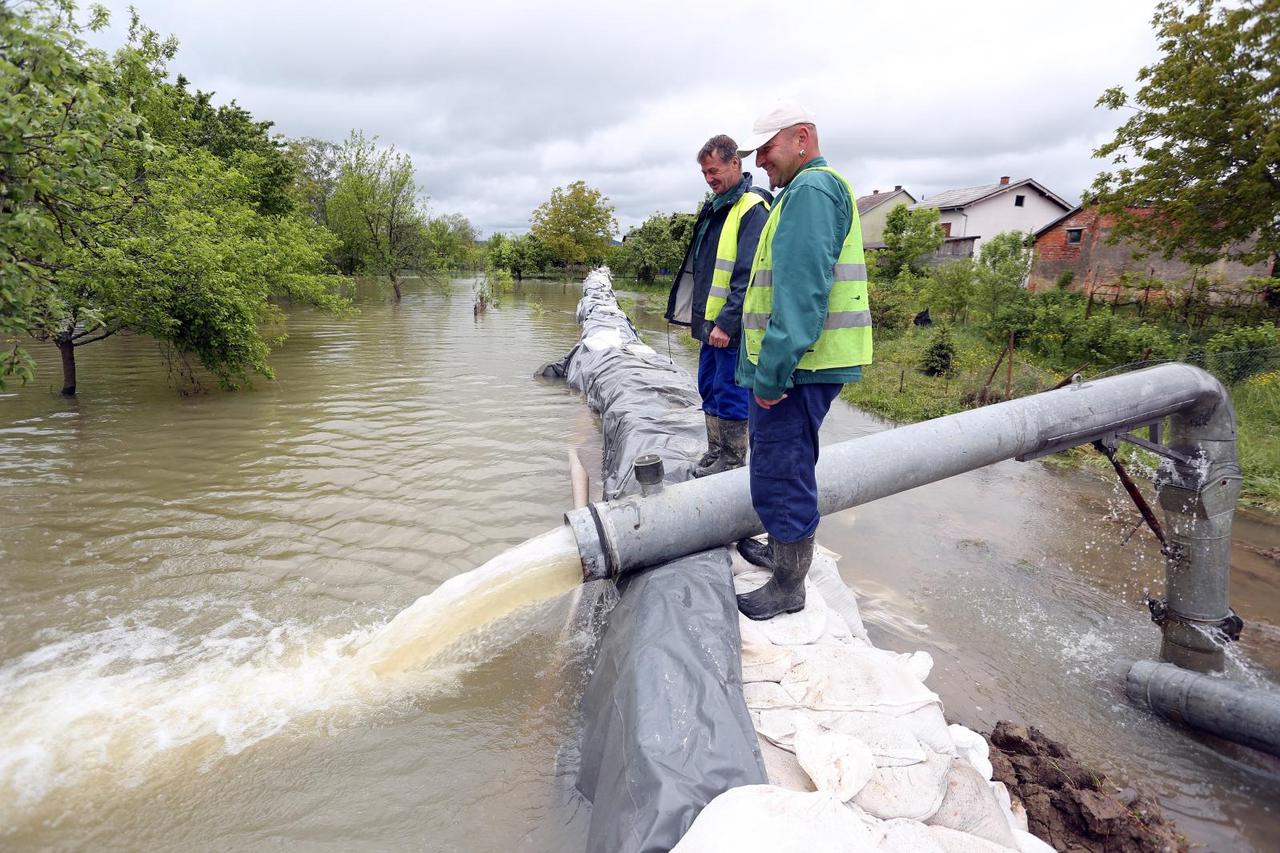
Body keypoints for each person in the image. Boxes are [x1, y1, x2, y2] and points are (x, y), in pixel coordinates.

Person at [732, 103, 873, 620]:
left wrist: (772, 371)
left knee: (781, 467)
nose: (761, 160)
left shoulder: (811, 191)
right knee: (787, 461)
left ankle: (789, 585)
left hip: (798, 366)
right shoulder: (801, 191)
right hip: (803, 363)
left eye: (767, 148)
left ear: (802, 138)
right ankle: (783, 552)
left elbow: (800, 289)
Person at [666, 135, 772, 477]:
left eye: (714, 171)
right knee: (708, 385)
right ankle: (715, 452)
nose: (710, 179)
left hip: (731, 326)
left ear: (735, 164)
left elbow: (748, 274)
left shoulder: (751, 208)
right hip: (710, 323)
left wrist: (727, 322)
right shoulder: (717, 207)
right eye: (705, 174)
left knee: (730, 389)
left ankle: (733, 458)